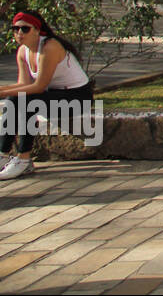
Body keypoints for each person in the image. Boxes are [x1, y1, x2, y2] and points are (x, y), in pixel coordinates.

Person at [0, 11, 94, 180]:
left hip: (78, 98)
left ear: (37, 30)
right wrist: (4, 92)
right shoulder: (23, 51)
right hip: (54, 96)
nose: (19, 33)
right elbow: (24, 84)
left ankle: (24, 159)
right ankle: (3, 154)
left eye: (25, 29)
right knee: (14, 99)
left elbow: (38, 87)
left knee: (28, 102)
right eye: (15, 29)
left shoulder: (50, 47)